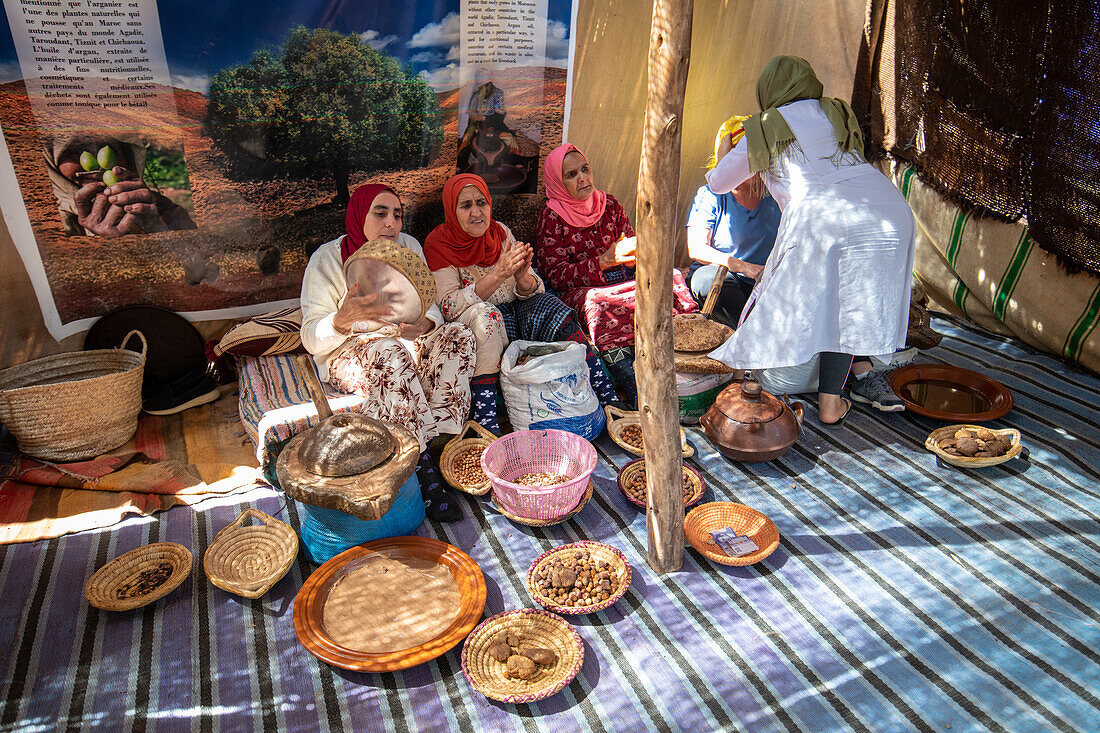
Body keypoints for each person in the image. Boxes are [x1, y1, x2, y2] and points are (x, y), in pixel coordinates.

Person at [706, 55, 915, 426]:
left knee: (818, 303)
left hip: (826, 218)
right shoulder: (837, 113)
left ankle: (804, 397)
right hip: (887, 211)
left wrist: (740, 153)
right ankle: (849, 387)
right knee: (850, 302)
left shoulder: (766, 126)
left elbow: (720, 182)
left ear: (767, 91)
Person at [300, 183, 476, 522]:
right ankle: (420, 469)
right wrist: (340, 320)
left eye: (397, 215)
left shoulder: (407, 247)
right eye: (380, 214)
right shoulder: (327, 260)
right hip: (349, 351)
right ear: (358, 216)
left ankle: (443, 444)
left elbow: (432, 308)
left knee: (458, 335)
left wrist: (423, 325)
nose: (391, 224)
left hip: (405, 340)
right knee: (390, 352)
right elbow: (310, 338)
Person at [425, 173, 619, 433]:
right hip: (481, 329)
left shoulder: (499, 232)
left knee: (550, 306)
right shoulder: (439, 244)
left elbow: (532, 290)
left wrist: (521, 277)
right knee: (487, 316)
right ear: (451, 209)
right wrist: (498, 275)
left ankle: (608, 397)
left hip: (515, 317)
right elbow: (449, 307)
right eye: (466, 205)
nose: (476, 212)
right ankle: (487, 420)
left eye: (481, 203)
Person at [535, 143, 698, 406]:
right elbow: (554, 276)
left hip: (623, 283)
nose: (583, 178)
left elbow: (632, 246)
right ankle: (633, 387)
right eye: (571, 174)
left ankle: (680, 367)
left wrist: (637, 253)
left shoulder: (609, 204)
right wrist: (602, 262)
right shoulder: (551, 218)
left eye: (584, 169)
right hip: (584, 291)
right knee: (598, 304)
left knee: (672, 277)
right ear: (557, 182)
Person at [685, 116, 782, 328]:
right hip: (728, 279)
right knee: (705, 280)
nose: (751, 163)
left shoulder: (775, 194)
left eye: (756, 155)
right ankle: (752, 331)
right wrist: (744, 267)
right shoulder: (711, 194)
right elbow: (696, 248)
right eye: (741, 157)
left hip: (764, 282)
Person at [44, 134, 195, 236]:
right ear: (52, 162)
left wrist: (158, 226)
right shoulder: (46, 225)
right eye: (74, 152)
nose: (98, 170)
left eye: (109, 148)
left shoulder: (158, 206)